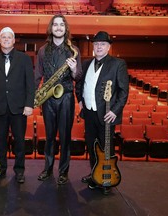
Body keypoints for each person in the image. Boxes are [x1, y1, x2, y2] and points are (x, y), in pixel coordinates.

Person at [75, 31, 129, 195]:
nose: (99, 47)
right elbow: (79, 84)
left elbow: (123, 91)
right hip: (89, 113)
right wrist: (80, 100)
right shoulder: (86, 63)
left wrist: (115, 110)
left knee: (106, 148)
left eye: (102, 44)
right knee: (92, 146)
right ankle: (94, 174)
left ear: (109, 47)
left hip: (106, 114)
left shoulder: (118, 64)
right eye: (96, 44)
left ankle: (106, 180)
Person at [35, 14, 82, 185]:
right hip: (48, 98)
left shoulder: (73, 50)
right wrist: (33, 97)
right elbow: (37, 75)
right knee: (49, 137)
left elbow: (78, 77)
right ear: (51, 28)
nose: (59, 27)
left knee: (65, 137)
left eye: (62, 25)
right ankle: (47, 169)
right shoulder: (42, 50)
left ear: (65, 28)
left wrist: (74, 68)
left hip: (66, 98)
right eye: (55, 25)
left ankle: (63, 172)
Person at [0, 27, 35, 184]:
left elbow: (30, 84)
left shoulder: (24, 59)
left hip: (19, 108)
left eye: (9, 37)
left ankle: (19, 171)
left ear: (14, 40)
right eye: (3, 37)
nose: (6, 40)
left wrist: (29, 104)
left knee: (19, 141)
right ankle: (1, 169)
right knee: (1, 142)